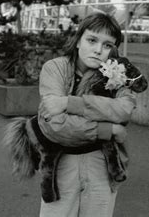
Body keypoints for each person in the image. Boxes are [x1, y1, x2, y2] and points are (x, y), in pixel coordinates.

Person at [37, 12, 136, 217]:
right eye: (92, 40)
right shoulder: (55, 68)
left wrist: (68, 103)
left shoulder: (117, 73)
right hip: (62, 164)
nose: (98, 50)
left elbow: (124, 110)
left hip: (102, 163)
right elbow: (55, 125)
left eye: (107, 45)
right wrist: (109, 129)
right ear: (78, 40)